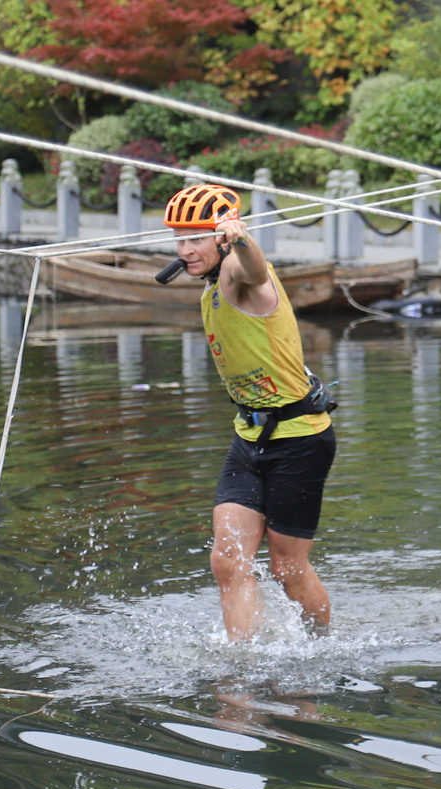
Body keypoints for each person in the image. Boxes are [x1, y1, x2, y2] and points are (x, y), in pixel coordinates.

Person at [164, 184, 337, 642]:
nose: (185, 249)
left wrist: (241, 238)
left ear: (219, 239)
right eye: (179, 239)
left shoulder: (237, 274)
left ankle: (322, 646)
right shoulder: (209, 288)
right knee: (227, 560)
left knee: (286, 569)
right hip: (249, 437)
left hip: (300, 438)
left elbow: (255, 269)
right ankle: (242, 666)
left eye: (195, 238)